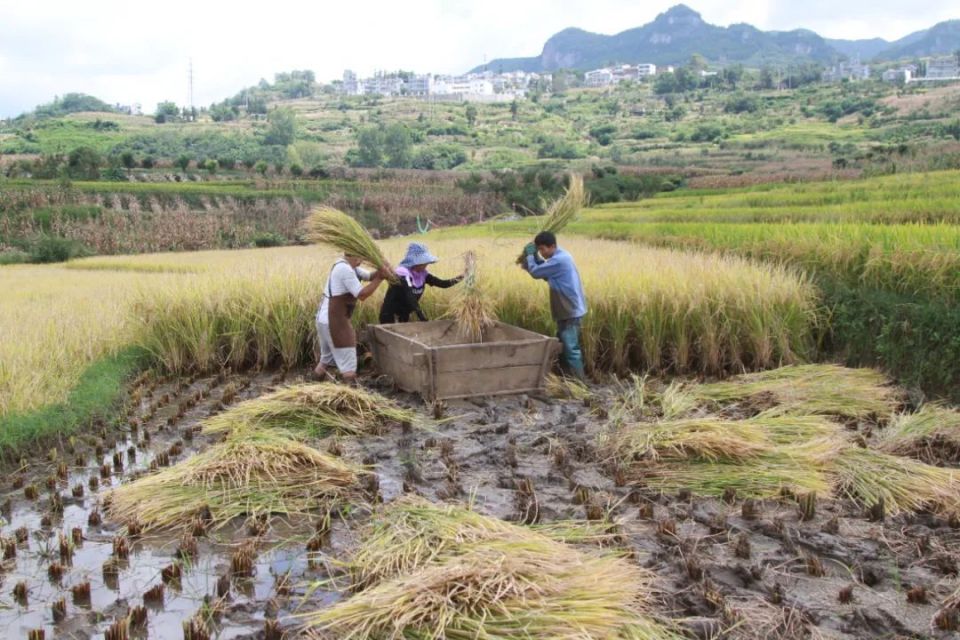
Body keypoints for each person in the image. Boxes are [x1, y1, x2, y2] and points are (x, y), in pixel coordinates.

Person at [521, 231, 587, 380]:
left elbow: (537, 273)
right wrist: (534, 259)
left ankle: (579, 383)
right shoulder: (560, 256)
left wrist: (531, 257)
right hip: (568, 307)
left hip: (570, 309)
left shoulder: (560, 260)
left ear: (552, 246)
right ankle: (567, 378)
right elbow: (545, 272)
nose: (542, 253)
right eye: (539, 250)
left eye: (542, 249)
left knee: (571, 347)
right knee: (564, 344)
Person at [315, 253, 388, 382]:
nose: (361, 260)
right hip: (334, 322)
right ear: (351, 254)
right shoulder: (345, 269)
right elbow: (362, 294)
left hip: (324, 320)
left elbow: (369, 276)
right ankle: (350, 394)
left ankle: (311, 385)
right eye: (359, 257)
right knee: (348, 366)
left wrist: (383, 268)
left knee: (325, 360)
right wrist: (381, 278)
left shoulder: (346, 265)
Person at [379, 242, 462, 324]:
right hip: (389, 314)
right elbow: (410, 296)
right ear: (416, 262)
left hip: (404, 314)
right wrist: (421, 315)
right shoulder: (402, 273)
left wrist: (462, 276)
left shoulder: (423, 274)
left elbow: (443, 284)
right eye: (424, 262)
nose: (426, 265)